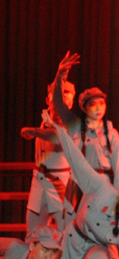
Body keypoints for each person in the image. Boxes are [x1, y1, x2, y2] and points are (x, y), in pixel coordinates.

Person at [40, 108, 119, 259]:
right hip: (74, 240)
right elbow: (77, 160)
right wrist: (58, 129)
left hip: (96, 249)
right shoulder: (102, 188)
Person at [51, 52, 119, 194]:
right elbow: (58, 104)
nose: (98, 108)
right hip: (77, 185)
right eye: (93, 104)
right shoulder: (76, 126)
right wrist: (61, 74)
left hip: (101, 187)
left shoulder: (111, 134)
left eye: (102, 103)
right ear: (84, 108)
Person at [20, 80, 76, 240]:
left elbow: (58, 137)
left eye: (66, 93)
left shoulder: (70, 122)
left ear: (71, 102)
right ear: (48, 100)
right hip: (39, 182)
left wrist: (33, 131)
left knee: (66, 235)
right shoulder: (44, 121)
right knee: (33, 234)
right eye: (58, 93)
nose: (61, 97)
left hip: (60, 183)